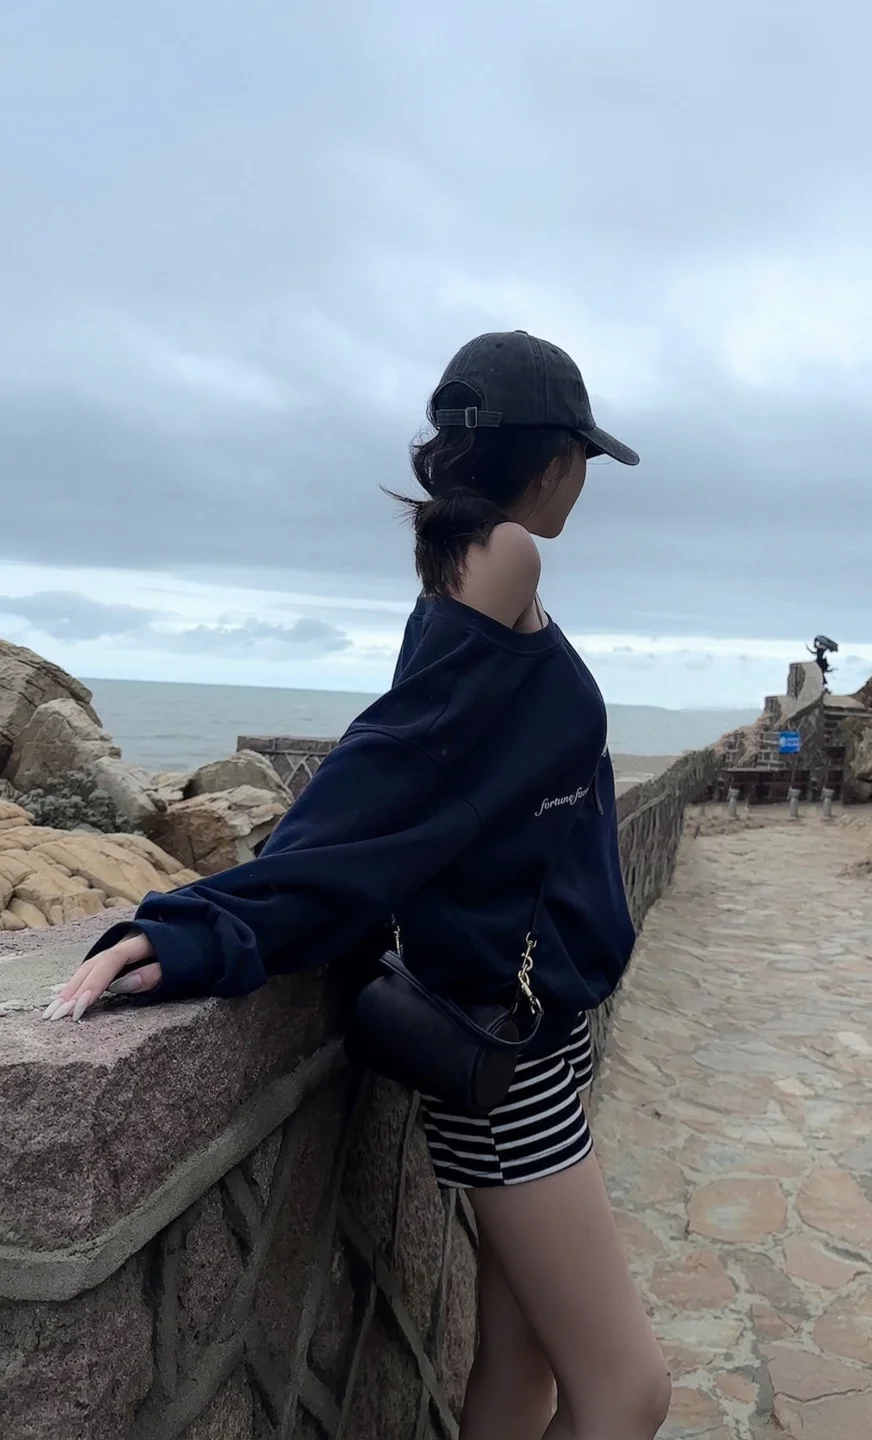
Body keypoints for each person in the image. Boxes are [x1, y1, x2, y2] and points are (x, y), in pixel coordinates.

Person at [45, 330, 672, 1440]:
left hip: (534, 1026)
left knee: (521, 1367)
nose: (583, 481)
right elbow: (392, 769)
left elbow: (425, 767)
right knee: (629, 1390)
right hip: (507, 1051)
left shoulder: (463, 571)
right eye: (581, 459)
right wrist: (211, 921)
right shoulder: (504, 559)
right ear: (553, 460)